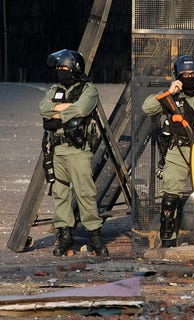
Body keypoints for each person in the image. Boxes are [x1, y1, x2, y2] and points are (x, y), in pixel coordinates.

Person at [39, 49, 108, 257]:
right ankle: (65, 237)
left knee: (85, 194)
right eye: (59, 68)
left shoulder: (89, 90)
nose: (61, 72)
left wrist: (58, 114)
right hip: (57, 150)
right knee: (60, 194)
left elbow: (82, 109)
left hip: (77, 150)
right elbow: (43, 108)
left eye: (64, 68)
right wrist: (65, 109)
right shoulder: (55, 89)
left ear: (75, 69)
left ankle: (95, 237)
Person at [142, 55, 194, 247]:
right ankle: (168, 238)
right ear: (177, 77)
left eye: (192, 74)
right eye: (185, 75)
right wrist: (169, 91)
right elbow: (147, 107)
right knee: (170, 195)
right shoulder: (172, 97)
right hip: (179, 149)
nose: (189, 78)